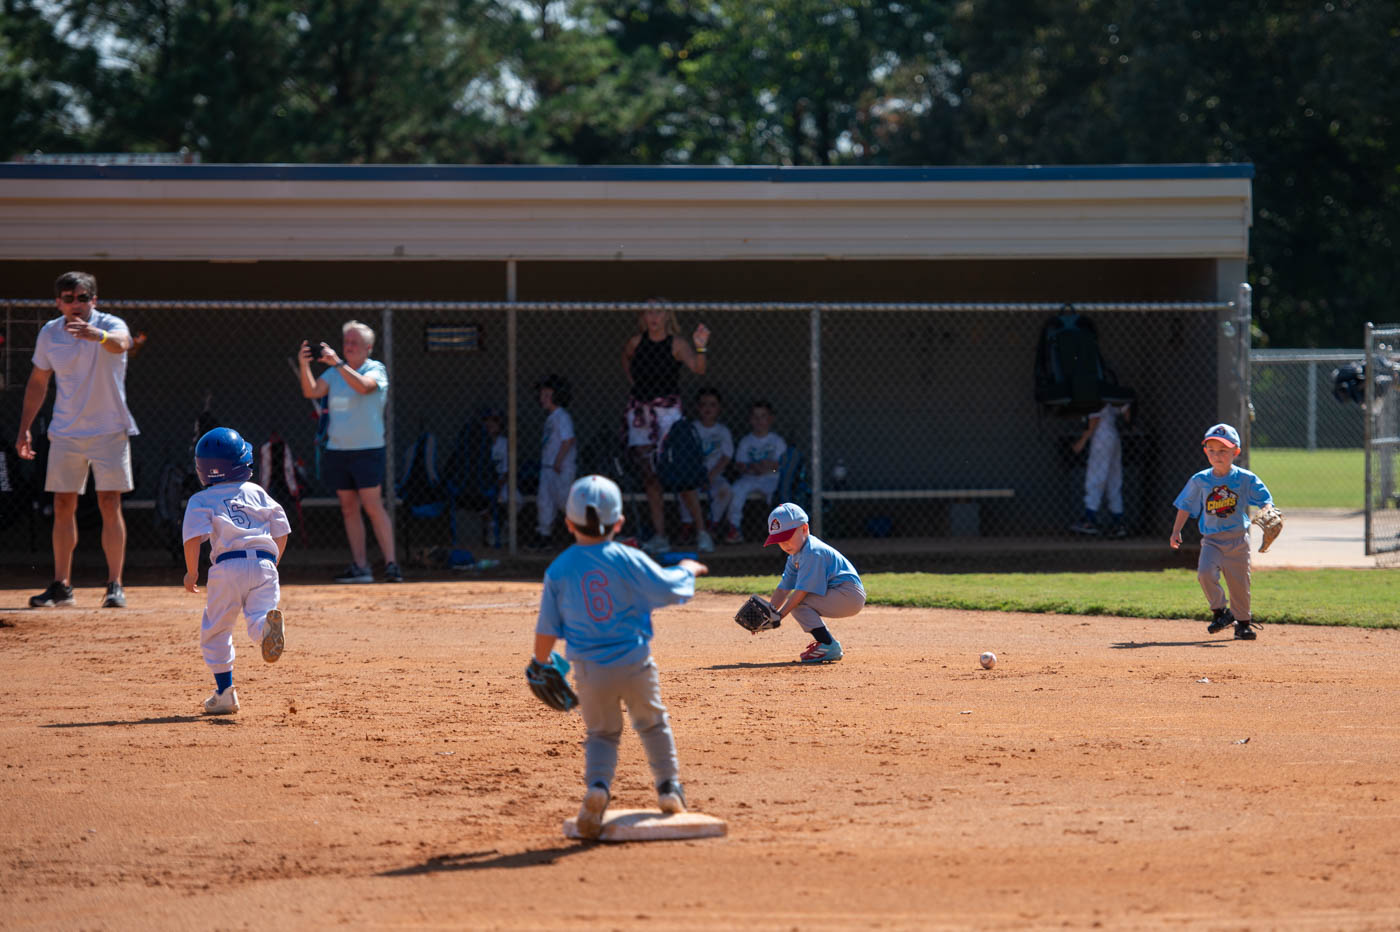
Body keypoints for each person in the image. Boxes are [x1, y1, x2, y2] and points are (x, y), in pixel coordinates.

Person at [532, 474, 708, 839]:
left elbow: (546, 630)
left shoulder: (559, 568)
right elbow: (668, 587)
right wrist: (687, 569)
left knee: (602, 733)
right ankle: (669, 788)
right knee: (653, 724)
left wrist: (539, 663)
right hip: (634, 663)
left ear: (568, 524)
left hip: (589, 670)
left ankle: (598, 786)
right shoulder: (628, 558)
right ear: (619, 522)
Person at [16, 271, 139, 609]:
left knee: (109, 503)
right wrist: (24, 428)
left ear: (93, 300)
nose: (76, 304)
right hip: (66, 431)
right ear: (58, 302)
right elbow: (38, 381)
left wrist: (97, 335)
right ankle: (61, 586)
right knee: (62, 505)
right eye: (68, 299)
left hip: (109, 429)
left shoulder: (109, 324)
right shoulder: (49, 333)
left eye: (83, 298)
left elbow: (123, 343)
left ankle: (115, 585)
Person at [182, 427, 290, 715]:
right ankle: (265, 628)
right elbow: (281, 528)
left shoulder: (201, 499)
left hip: (227, 567)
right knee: (258, 616)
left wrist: (192, 572)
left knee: (217, 629)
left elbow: (192, 538)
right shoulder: (257, 491)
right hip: (264, 563)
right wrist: (273, 560)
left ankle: (225, 692)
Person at [297, 322, 401, 583]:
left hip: (368, 450)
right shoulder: (334, 372)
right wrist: (304, 365)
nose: (349, 346)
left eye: (355, 343)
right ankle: (361, 567)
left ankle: (391, 564)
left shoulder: (374, 369)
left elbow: (364, 387)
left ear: (368, 347)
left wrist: (339, 364)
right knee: (348, 508)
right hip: (338, 450)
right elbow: (311, 391)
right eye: (346, 342)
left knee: (372, 506)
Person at [622, 299, 714, 555]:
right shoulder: (635, 343)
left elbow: (698, 367)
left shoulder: (677, 344)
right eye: (649, 311)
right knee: (650, 475)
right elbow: (626, 360)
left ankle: (702, 532)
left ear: (667, 316)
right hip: (641, 414)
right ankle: (660, 535)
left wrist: (701, 346)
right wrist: (637, 389)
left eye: (659, 311)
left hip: (668, 414)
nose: (653, 316)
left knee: (681, 472)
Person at [1170, 423, 1273, 641]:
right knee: (1205, 574)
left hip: (1238, 540)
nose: (1217, 455)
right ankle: (1220, 612)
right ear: (1205, 451)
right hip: (1212, 540)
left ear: (1236, 452)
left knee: (1239, 584)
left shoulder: (1245, 478)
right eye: (1212, 450)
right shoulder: (1200, 479)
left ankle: (1243, 624)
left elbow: (1265, 499)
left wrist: (1267, 509)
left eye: (1223, 450)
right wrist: (1176, 530)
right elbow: (1185, 505)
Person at [760, 502, 865, 663]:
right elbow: (783, 589)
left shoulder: (812, 552)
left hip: (848, 594)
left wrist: (779, 616)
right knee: (797, 603)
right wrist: (768, 615)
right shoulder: (795, 556)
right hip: (840, 593)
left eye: (787, 537)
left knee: (799, 603)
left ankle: (828, 645)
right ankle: (827, 643)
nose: (784, 544)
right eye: (779, 540)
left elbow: (801, 592)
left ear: (804, 529)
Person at [721, 400, 787, 544]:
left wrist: (769, 467)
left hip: (772, 476)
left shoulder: (777, 441)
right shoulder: (746, 441)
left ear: (771, 419)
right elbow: (739, 465)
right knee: (736, 490)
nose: (759, 421)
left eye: (763, 416)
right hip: (750, 477)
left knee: (777, 493)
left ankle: (780, 529)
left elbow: (781, 466)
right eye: (755, 417)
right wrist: (752, 468)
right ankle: (734, 528)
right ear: (750, 420)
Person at [677, 387, 734, 543]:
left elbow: (726, 457)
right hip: (693, 475)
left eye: (712, 405)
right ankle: (687, 524)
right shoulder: (691, 428)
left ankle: (712, 523)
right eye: (703, 404)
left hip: (714, 476)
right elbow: (684, 455)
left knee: (725, 490)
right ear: (697, 407)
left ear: (719, 408)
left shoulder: (723, 431)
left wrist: (710, 476)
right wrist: (696, 475)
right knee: (684, 489)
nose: (708, 409)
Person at [528, 375, 578, 550]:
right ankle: (544, 534)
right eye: (542, 395)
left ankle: (581, 532)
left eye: (547, 395)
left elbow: (568, 440)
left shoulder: (562, 416)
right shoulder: (551, 418)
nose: (543, 399)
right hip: (548, 467)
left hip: (561, 467)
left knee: (564, 500)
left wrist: (558, 461)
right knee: (545, 501)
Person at [1069, 401, 1131, 537]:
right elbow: (1126, 410)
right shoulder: (1112, 394)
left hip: (1101, 437)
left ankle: (1089, 519)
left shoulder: (1094, 392)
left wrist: (1081, 442)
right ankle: (1118, 521)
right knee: (1114, 480)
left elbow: (1095, 418)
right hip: (1114, 437)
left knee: (1095, 478)